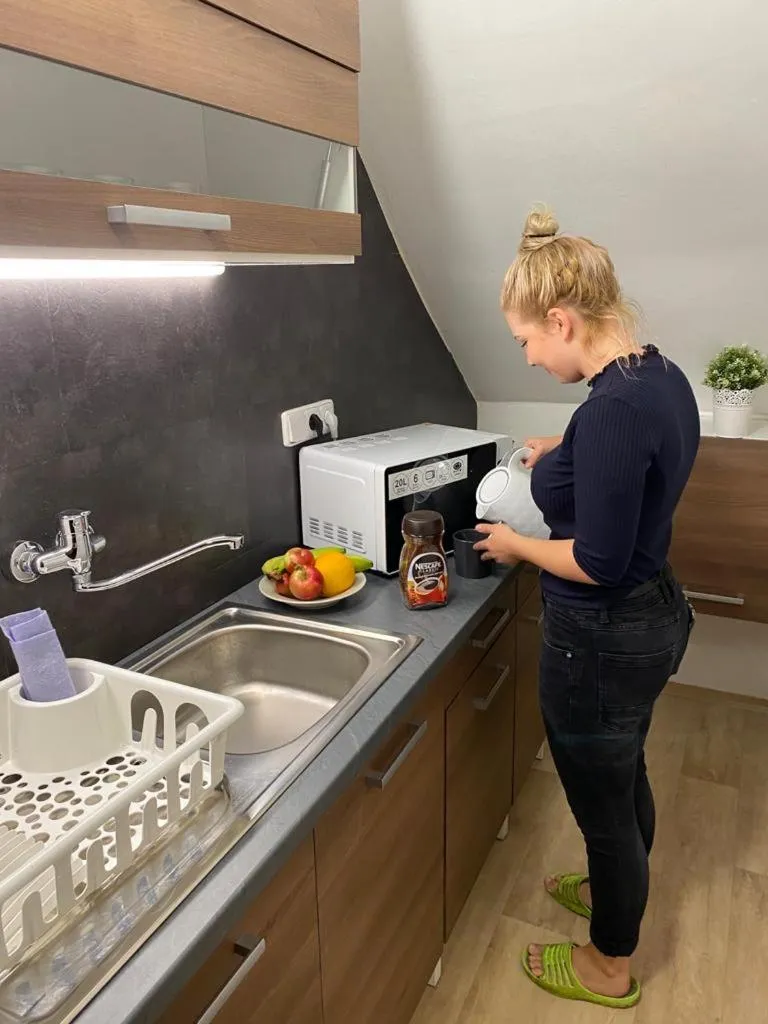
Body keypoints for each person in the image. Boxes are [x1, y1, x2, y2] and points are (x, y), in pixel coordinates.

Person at [474, 205, 699, 1009]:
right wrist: (558, 451)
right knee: (623, 764)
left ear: (561, 319)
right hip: (656, 616)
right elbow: (631, 462)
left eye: (527, 342)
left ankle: (610, 965)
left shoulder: (610, 411)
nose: (529, 359)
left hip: (603, 636)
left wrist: (512, 545)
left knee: (600, 803)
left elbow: (597, 561)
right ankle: (619, 889)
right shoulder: (656, 375)